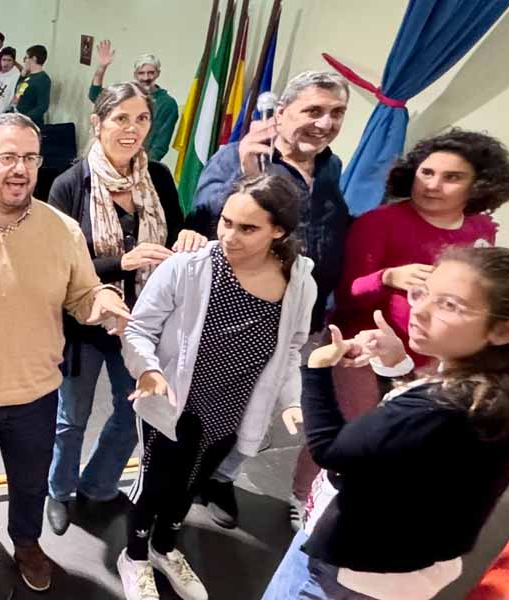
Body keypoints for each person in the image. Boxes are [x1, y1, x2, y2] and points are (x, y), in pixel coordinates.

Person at [261, 245, 509, 600]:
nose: (419, 310)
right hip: (399, 566)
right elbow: (410, 437)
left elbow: (333, 449)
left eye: (449, 305)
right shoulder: (499, 391)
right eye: (423, 293)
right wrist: (394, 364)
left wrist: (317, 369)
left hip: (346, 574)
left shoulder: (444, 410)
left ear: (504, 331)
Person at [0, 113, 132, 592]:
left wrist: (103, 302)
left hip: (34, 391)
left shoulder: (62, 231)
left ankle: (27, 542)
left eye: (29, 158)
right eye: (8, 157)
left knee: (30, 480)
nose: (20, 169)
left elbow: (82, 294)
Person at [288, 130, 509, 512]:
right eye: (426, 172)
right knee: (348, 426)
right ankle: (302, 496)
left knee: (407, 430)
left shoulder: (480, 229)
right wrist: (387, 277)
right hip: (360, 344)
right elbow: (344, 295)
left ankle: (369, 491)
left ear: (478, 184)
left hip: (431, 353)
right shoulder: (379, 222)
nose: (433, 185)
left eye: (452, 177)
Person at [120, 174, 315, 600]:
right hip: (173, 405)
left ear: (278, 231)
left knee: (190, 487)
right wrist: (148, 370)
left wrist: (290, 399)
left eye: (247, 228)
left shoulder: (299, 283)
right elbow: (139, 329)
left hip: (233, 410)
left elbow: (292, 348)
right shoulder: (188, 267)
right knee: (154, 486)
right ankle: (134, 556)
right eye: (225, 222)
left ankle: (164, 548)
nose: (229, 236)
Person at [186, 70, 352, 529]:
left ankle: (221, 478)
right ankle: (186, 482)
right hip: (242, 316)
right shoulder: (240, 157)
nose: (325, 123)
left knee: (261, 415)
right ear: (280, 114)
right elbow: (202, 220)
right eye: (313, 111)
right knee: (216, 407)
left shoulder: (331, 167)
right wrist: (243, 175)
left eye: (336, 113)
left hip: (305, 316)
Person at [44, 82, 207, 534]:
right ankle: (58, 491)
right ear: (98, 124)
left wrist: (189, 235)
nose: (131, 129)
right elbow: (59, 265)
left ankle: (98, 483)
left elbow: (177, 236)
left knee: (131, 409)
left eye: (141, 120)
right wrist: (123, 262)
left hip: (144, 323)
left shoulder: (158, 178)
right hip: (87, 324)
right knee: (70, 416)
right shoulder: (70, 184)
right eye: (121, 119)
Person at [89, 42, 178, 161]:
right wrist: (102, 67)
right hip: (114, 157)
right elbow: (95, 95)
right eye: (141, 73)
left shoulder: (167, 104)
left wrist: (141, 167)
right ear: (135, 75)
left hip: (142, 163)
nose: (146, 78)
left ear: (158, 74)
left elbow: (160, 145)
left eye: (151, 72)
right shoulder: (127, 95)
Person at [13, 45, 51, 127]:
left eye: (26, 58)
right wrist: (22, 75)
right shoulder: (29, 76)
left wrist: (25, 118)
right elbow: (18, 91)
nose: (24, 61)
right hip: (18, 116)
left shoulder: (42, 79)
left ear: (33, 59)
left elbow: (43, 106)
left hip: (30, 123)